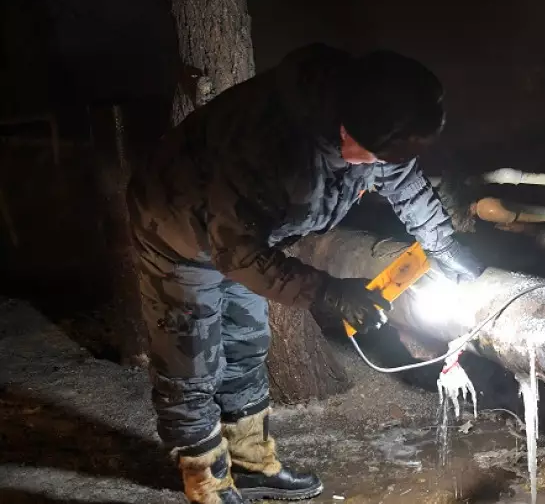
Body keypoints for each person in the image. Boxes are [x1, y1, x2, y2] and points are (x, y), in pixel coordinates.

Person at [127, 43, 483, 504]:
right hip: (177, 230)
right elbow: (240, 255)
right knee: (191, 357)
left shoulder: (374, 120)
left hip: (246, 234)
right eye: (374, 156)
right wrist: (328, 292)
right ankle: (206, 479)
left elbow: (402, 179)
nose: (379, 166)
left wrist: (442, 242)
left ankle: (252, 463)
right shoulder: (266, 144)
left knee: (247, 342)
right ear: (346, 128)